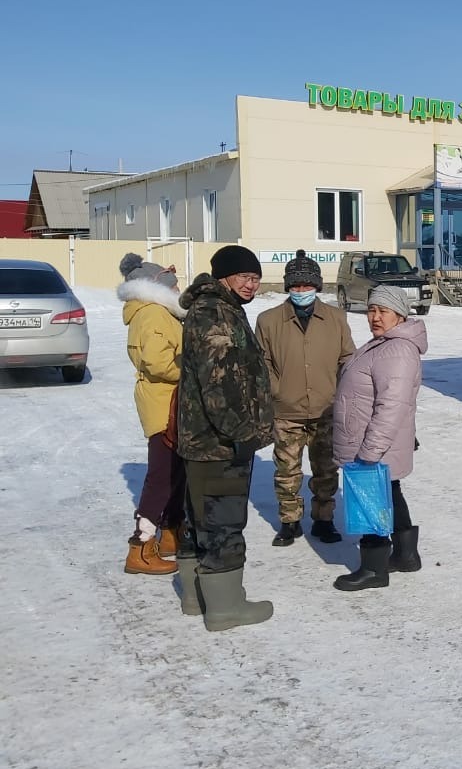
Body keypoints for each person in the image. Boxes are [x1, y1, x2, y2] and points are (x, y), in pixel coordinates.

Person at [175, 245, 275, 631]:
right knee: (222, 523)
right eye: (244, 278)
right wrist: (243, 434)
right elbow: (219, 386)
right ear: (223, 277)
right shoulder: (216, 314)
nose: (251, 285)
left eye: (255, 278)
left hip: (203, 441)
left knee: (199, 518)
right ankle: (225, 608)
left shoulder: (218, 308)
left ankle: (195, 598)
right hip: (219, 443)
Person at [255, 250, 355, 548]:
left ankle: (324, 520)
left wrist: (342, 394)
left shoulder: (335, 318)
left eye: (307, 286)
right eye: (295, 286)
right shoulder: (269, 320)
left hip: (326, 409)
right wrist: (277, 390)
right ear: (288, 287)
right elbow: (263, 364)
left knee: (326, 470)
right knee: (287, 471)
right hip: (287, 411)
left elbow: (347, 359)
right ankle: (290, 521)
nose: (301, 291)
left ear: (317, 286)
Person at [331, 285, 427, 592]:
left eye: (382, 311)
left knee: (370, 500)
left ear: (399, 314)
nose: (374, 317)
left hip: (373, 443)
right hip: (373, 439)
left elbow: (392, 405)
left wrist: (370, 451)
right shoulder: (384, 344)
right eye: (371, 310)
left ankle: (374, 568)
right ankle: (405, 555)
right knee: (391, 491)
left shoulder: (396, 349)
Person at [117, 253, 186, 575]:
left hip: (167, 401)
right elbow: (159, 363)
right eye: (175, 285)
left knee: (174, 472)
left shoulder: (155, 312)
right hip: (163, 404)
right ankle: (140, 546)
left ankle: (171, 534)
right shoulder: (155, 314)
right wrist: (192, 371)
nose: (179, 289)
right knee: (161, 475)